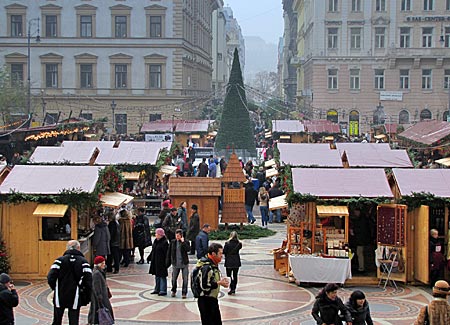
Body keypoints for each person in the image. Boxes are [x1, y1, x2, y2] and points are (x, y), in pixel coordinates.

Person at [47, 240, 93, 325]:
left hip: (60, 294)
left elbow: (50, 277)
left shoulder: (59, 261)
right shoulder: (84, 262)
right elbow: (89, 281)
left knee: (57, 320)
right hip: (75, 294)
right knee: (74, 321)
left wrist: (56, 288)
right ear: (78, 248)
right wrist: (86, 293)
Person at [196, 243, 230, 325]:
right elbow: (204, 286)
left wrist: (220, 281)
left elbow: (211, 279)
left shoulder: (213, 264)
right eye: (220, 253)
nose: (222, 256)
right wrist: (219, 283)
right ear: (214, 254)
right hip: (206, 300)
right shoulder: (206, 267)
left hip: (211, 300)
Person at [88, 256, 114, 325]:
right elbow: (97, 288)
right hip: (100, 298)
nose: (104, 265)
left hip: (102, 297)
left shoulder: (100, 272)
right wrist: (100, 298)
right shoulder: (97, 274)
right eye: (103, 263)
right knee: (100, 313)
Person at [166, 229, 190, 299]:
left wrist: (183, 242)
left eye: (178, 235)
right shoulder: (172, 242)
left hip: (184, 263)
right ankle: (173, 290)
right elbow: (169, 252)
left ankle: (184, 292)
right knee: (174, 278)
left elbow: (188, 249)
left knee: (185, 279)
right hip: (175, 263)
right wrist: (168, 262)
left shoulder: (186, 242)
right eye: (176, 235)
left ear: (181, 235)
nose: (177, 237)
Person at [349, 209, 372, 273]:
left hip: (360, 240)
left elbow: (360, 230)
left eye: (355, 212)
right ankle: (361, 267)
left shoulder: (361, 221)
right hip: (362, 240)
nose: (354, 213)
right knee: (360, 253)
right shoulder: (363, 219)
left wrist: (353, 231)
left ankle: (361, 268)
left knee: (359, 253)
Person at [149, 228, 169, 296]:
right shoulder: (155, 241)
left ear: (160, 235)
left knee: (162, 276)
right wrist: (149, 257)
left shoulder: (164, 243)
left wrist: (167, 263)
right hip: (155, 261)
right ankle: (157, 289)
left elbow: (167, 254)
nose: (155, 235)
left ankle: (163, 290)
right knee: (157, 275)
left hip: (162, 262)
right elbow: (153, 250)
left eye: (157, 234)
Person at [223, 231, 242, 295]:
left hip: (229, 261)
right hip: (236, 261)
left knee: (229, 275)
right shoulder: (239, 243)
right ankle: (234, 288)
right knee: (235, 275)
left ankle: (231, 287)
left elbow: (224, 251)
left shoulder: (227, 243)